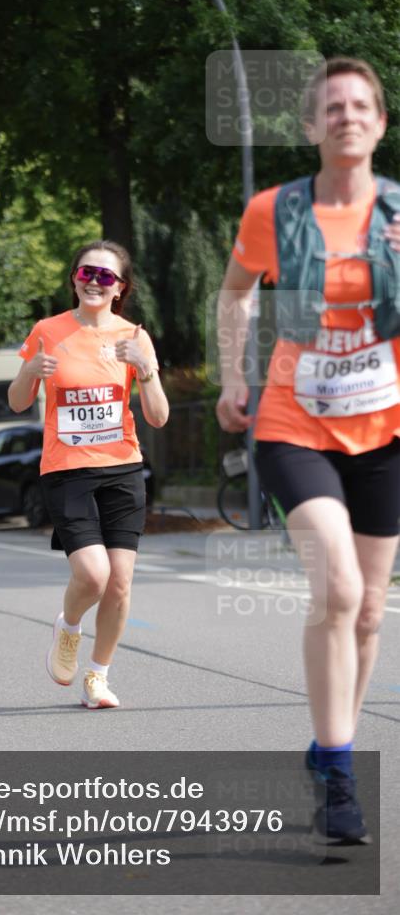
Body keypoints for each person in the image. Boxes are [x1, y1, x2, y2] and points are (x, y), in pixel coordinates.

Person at [216, 57, 400, 843]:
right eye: (331, 107)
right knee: (336, 588)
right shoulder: (273, 210)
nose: (346, 116)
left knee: (366, 613)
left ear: (380, 123)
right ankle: (338, 769)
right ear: (311, 127)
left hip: (384, 426)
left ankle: (330, 746)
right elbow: (234, 291)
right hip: (294, 423)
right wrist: (233, 375)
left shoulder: (398, 212)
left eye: (360, 105)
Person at [8, 240, 169, 708]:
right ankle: (69, 626)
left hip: (122, 467)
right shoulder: (47, 330)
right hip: (67, 469)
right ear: (74, 278)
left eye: (106, 277)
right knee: (94, 576)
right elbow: (19, 401)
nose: (94, 283)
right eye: (87, 273)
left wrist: (147, 371)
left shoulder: (135, 337)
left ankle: (98, 676)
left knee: (120, 582)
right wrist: (30, 371)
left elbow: (157, 417)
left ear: (120, 287)